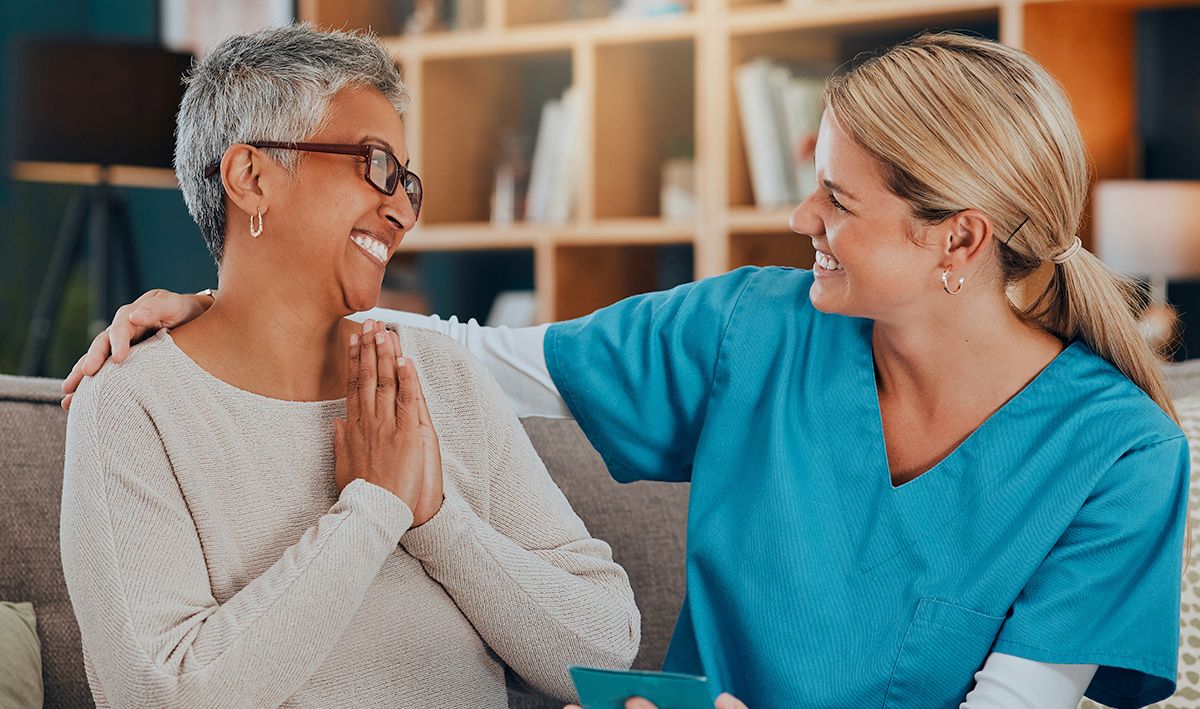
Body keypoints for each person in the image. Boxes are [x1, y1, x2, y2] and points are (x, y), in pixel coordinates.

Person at [65, 32, 1190, 709]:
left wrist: (414, 508)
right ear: (251, 175)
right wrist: (228, 303)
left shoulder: (1120, 454)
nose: (799, 216)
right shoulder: (755, 326)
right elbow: (484, 359)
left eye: (839, 201)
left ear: (960, 241)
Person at [59, 24, 639, 709]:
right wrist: (372, 508)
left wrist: (436, 519)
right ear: (251, 177)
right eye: (376, 165)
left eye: (407, 182)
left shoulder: (436, 374)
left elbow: (606, 642)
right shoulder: (133, 404)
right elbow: (162, 692)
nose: (400, 210)